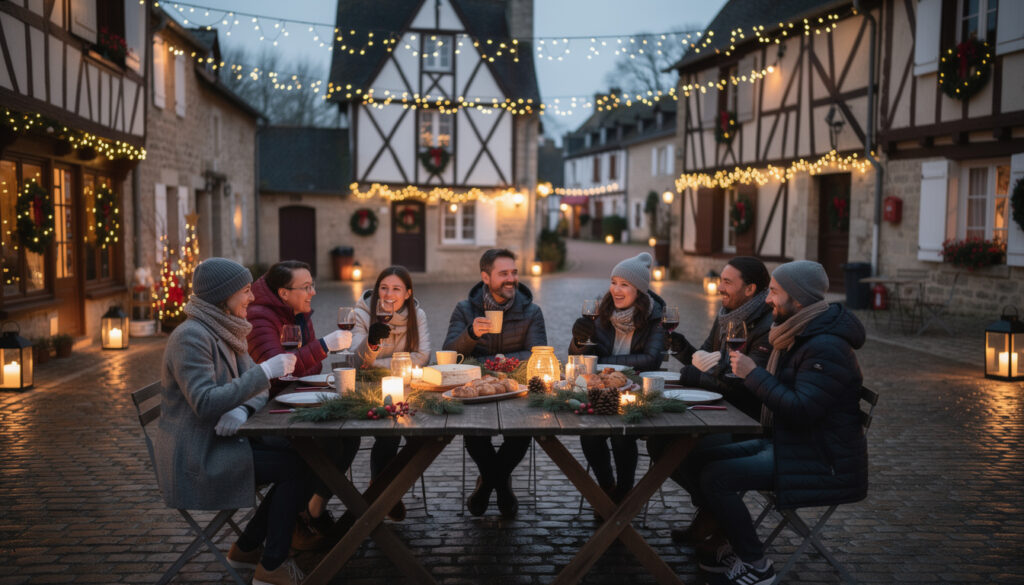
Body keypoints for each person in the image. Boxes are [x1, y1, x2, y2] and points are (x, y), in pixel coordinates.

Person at [694, 261, 868, 585]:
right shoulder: (797, 333)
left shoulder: (825, 346)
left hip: (822, 459)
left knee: (716, 476)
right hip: (792, 442)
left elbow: (801, 410)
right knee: (701, 455)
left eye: (774, 291)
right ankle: (721, 535)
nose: (768, 299)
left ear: (798, 299)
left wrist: (752, 374)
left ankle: (757, 565)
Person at [153, 257, 309, 585]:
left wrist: (241, 409)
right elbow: (206, 403)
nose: (252, 299)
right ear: (223, 296)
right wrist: (266, 371)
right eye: (246, 292)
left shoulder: (226, 328)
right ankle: (271, 567)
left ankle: (248, 547)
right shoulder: (191, 337)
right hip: (198, 456)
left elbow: (255, 386)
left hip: (226, 439)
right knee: (296, 468)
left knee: (304, 457)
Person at [649, 257, 773, 544]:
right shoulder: (728, 314)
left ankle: (714, 513)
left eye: (727, 282)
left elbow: (743, 385)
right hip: (719, 408)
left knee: (683, 448)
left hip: (744, 418)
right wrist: (682, 350)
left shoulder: (765, 326)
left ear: (751, 288)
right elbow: (705, 358)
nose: (720, 288)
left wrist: (696, 376)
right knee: (657, 442)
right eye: (721, 280)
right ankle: (710, 509)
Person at [246, 260, 355, 549]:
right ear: (283, 293)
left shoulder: (298, 312)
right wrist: (322, 346)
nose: (314, 292)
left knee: (349, 434)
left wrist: (311, 358)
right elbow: (280, 371)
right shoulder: (259, 318)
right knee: (321, 448)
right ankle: (292, 523)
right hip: (264, 417)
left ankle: (312, 510)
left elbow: (305, 370)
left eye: (313, 285)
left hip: (293, 406)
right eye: (306, 287)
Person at [443, 248, 547, 517]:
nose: (511, 279)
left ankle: (489, 484)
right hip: (477, 392)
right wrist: (470, 334)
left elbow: (537, 355)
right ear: (486, 277)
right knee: (475, 434)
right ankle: (502, 487)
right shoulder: (465, 310)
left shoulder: (531, 312)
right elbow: (449, 355)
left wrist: (497, 362)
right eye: (503, 274)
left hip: (517, 391)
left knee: (522, 433)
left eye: (513, 272)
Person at [568, 252, 665, 505]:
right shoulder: (601, 314)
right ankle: (607, 489)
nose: (616, 290)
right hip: (601, 392)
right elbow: (580, 362)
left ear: (640, 291)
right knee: (590, 436)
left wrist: (603, 365)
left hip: (637, 394)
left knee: (622, 437)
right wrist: (578, 342)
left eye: (625, 284)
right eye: (613, 282)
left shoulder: (656, 318)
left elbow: (651, 360)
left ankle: (624, 493)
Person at [349, 265, 432, 521]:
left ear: (407, 293)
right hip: (367, 388)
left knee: (424, 438)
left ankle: (388, 488)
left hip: (408, 388)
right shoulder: (361, 314)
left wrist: (380, 364)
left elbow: (424, 357)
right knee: (388, 435)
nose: (388, 294)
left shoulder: (417, 315)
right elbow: (356, 361)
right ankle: (384, 493)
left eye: (396, 289)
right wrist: (372, 345)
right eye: (383, 288)